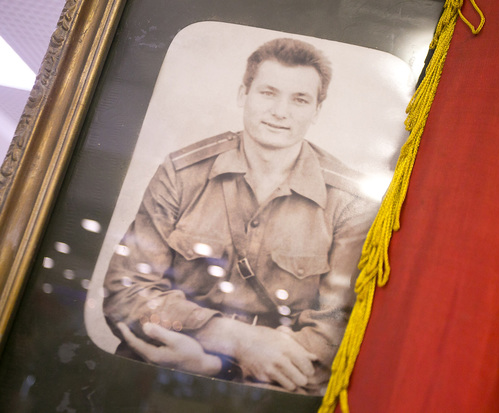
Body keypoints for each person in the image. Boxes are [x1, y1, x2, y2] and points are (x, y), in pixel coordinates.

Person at [103, 37, 377, 394]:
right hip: (153, 379)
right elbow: (125, 291)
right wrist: (235, 339)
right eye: (268, 93)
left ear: (316, 111)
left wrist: (219, 367)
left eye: (299, 99)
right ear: (243, 95)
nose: (280, 111)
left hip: (264, 398)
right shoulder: (181, 173)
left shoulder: (350, 202)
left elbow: (334, 335)